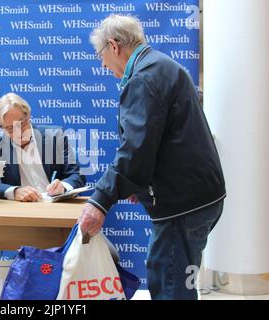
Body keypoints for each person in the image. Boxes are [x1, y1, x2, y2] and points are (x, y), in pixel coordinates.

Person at [79, 14, 226, 300]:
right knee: (177, 281)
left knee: (169, 287)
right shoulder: (160, 65)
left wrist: (100, 201)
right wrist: (138, 183)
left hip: (182, 205)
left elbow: (135, 149)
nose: (102, 64)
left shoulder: (144, 77)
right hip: (200, 198)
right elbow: (163, 140)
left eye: (101, 55)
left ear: (114, 45)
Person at [0, 92, 86, 202]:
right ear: (1, 128)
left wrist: (63, 187)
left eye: (21, 123)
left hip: (56, 206)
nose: (18, 132)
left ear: (28, 116)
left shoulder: (55, 137)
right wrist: (14, 191)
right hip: (20, 209)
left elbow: (76, 176)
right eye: (10, 128)